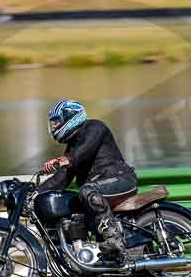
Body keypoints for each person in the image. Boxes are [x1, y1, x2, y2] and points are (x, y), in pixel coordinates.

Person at [38, 100, 138, 254]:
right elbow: (62, 178)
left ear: (70, 117)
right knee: (69, 202)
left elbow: (85, 149)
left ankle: (113, 238)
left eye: (57, 122)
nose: (54, 126)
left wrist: (65, 160)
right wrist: (36, 191)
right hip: (100, 187)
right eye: (53, 123)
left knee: (87, 191)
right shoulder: (73, 147)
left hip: (120, 179)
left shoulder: (95, 127)